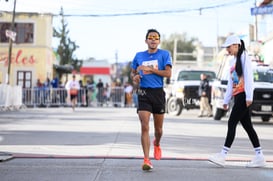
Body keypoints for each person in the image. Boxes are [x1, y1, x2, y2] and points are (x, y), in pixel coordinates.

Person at [208, 35, 266, 167]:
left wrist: (249, 97)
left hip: (244, 95)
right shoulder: (233, 61)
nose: (227, 50)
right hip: (238, 96)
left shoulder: (245, 57)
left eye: (228, 47)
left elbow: (249, 77)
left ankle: (223, 155)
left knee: (232, 122)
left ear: (236, 45)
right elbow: (231, 82)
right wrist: (226, 99)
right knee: (248, 127)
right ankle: (259, 156)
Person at [131, 29, 172, 171]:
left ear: (159, 41)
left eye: (156, 38)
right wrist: (135, 77)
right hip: (143, 92)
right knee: (144, 126)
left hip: (158, 93)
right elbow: (133, 72)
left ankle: (157, 143)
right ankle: (147, 160)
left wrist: (151, 69)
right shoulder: (139, 56)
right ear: (146, 40)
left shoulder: (165, 54)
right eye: (150, 37)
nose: (153, 40)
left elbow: (168, 73)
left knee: (159, 130)